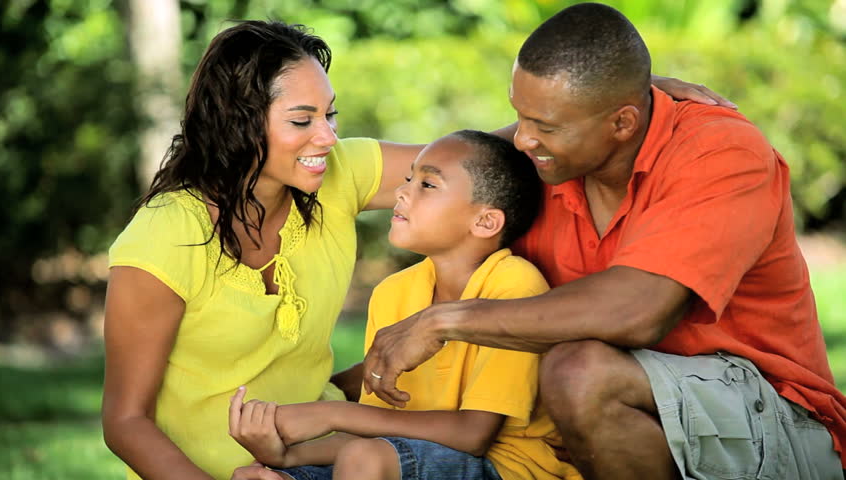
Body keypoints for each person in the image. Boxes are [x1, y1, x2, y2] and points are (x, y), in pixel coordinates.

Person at [101, 17, 734, 480]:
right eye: (302, 120)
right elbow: (124, 422)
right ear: (239, 124)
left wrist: (615, 102)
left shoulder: (334, 172)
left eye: (331, 114)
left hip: (318, 458)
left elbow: (472, 163)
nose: (326, 136)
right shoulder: (165, 235)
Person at [362, 4, 846, 480]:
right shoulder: (550, 156)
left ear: (622, 123)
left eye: (546, 125)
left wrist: (441, 322)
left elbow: (638, 311)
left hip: (773, 420)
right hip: (625, 414)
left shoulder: (721, 152)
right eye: (521, 117)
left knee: (579, 373)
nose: (524, 140)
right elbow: (423, 174)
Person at [228, 130, 583, 480]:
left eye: (427, 185)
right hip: (404, 458)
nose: (401, 191)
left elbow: (473, 436)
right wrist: (287, 457)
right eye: (409, 178)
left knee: (366, 458)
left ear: (485, 221)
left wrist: (333, 414)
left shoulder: (513, 285)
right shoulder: (393, 292)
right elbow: (376, 434)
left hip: (505, 467)